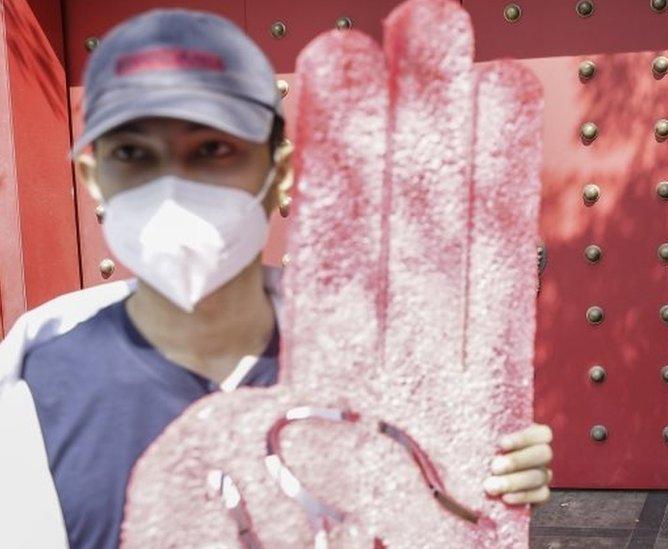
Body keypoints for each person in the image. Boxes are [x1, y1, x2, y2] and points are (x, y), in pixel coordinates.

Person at [0, 9, 552, 549]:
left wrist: (486, 485)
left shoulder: (376, 358)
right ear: (95, 178)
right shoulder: (36, 370)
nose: (172, 186)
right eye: (133, 153)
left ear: (279, 171)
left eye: (213, 149)